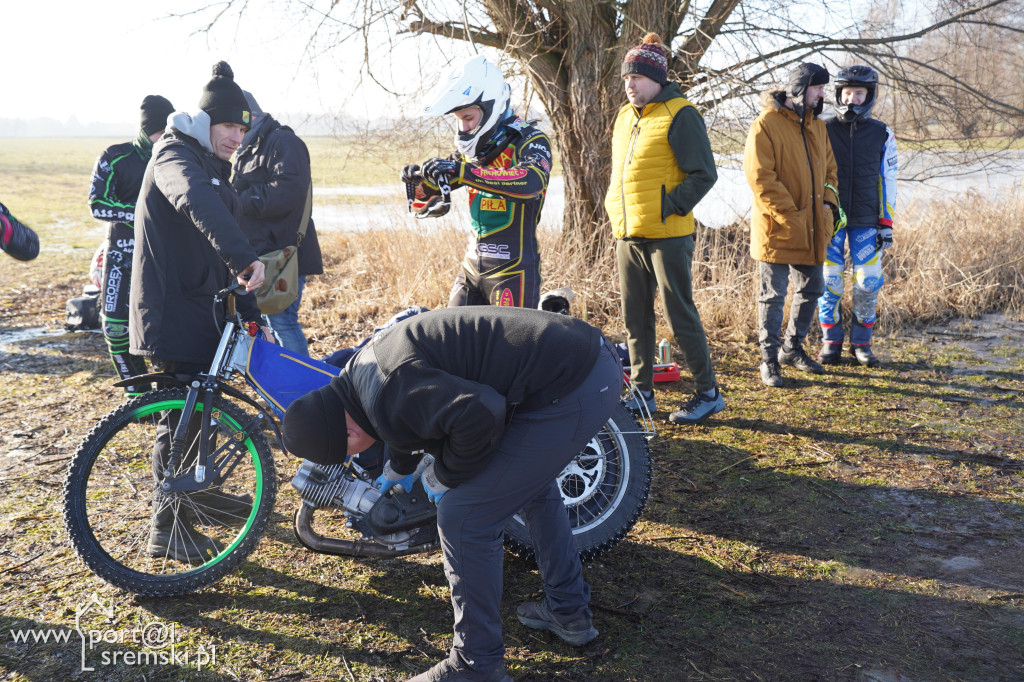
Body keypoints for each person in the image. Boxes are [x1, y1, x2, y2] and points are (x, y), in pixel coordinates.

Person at [282, 306, 621, 682]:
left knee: (465, 516)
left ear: (346, 433)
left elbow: (481, 413)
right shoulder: (358, 375)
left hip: (574, 382)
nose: (355, 456)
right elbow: (401, 415)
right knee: (530, 487)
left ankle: (476, 664)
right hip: (577, 360)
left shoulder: (388, 389)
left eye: (348, 452)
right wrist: (400, 466)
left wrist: (445, 475)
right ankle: (568, 610)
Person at [130, 61, 269, 563]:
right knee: (179, 422)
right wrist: (243, 259)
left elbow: (220, 244)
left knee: (199, 417)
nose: (237, 135)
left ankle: (199, 495)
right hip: (172, 313)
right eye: (230, 125)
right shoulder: (174, 154)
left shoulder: (209, 163)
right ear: (206, 121)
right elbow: (196, 205)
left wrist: (251, 314)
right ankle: (167, 529)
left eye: (243, 127)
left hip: (203, 312)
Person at [604, 32, 725, 424]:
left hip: (668, 235)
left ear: (656, 78)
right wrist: (614, 209)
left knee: (678, 315)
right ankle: (642, 394)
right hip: (628, 232)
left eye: (636, 77)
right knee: (634, 317)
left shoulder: (680, 113)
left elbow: (704, 174)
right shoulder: (625, 117)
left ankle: (707, 393)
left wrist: (668, 206)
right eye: (626, 79)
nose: (629, 85)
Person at [403, 54, 552, 309]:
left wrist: (464, 172)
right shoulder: (470, 154)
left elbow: (531, 181)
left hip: (513, 272)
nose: (463, 127)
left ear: (491, 108)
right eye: (459, 119)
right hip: (471, 269)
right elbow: (426, 196)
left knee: (508, 350)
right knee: (453, 344)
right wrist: (418, 180)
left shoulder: (530, 140)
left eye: (468, 118)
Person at [744, 62, 840, 388]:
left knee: (813, 287)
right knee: (772, 295)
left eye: (823, 88)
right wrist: (793, 217)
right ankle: (769, 360)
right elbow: (761, 180)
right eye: (818, 88)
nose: (823, 94)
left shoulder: (819, 127)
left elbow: (830, 173)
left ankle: (791, 348)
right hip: (777, 228)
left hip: (813, 227)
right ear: (800, 89)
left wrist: (828, 207)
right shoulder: (765, 126)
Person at [88, 95, 176, 394]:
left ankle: (170, 395)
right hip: (122, 254)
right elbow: (97, 205)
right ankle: (137, 394)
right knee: (115, 326)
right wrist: (141, 212)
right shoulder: (115, 156)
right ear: (147, 129)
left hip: (162, 255)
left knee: (166, 326)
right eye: (161, 132)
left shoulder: (175, 156)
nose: (166, 138)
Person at [817, 64, 898, 368]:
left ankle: (861, 344)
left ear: (869, 96)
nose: (852, 99)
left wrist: (886, 222)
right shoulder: (823, 129)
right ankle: (831, 343)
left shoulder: (882, 133)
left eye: (859, 94)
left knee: (868, 282)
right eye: (847, 93)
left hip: (867, 220)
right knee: (829, 282)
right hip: (830, 218)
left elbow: (889, 178)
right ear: (838, 94)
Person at [232, 91, 323, 355]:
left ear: (251, 117)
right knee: (268, 321)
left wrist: (237, 200)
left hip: (284, 254)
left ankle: (303, 389)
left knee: (283, 322)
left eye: (235, 124)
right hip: (263, 253)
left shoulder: (283, 142)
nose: (233, 133)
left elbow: (287, 193)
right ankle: (288, 387)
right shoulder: (247, 146)